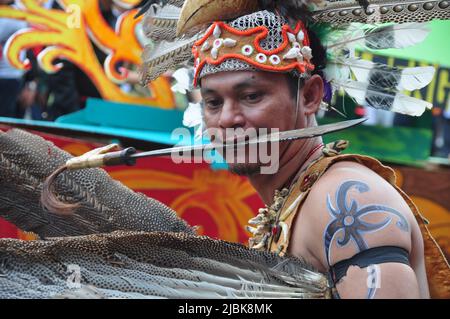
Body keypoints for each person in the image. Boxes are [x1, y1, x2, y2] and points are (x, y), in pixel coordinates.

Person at [141, 0, 450, 299]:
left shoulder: (345, 199)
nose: (226, 119)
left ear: (310, 96)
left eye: (250, 96)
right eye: (213, 102)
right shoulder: (295, 200)